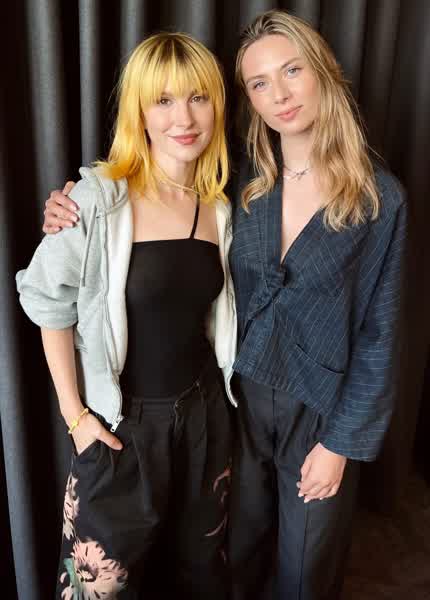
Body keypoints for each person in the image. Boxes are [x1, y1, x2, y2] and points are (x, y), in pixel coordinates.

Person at [40, 10, 407, 600]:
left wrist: (342, 441)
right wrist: (67, 209)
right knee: (215, 563)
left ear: (323, 72)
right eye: (260, 83)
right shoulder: (241, 182)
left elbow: (380, 332)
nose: (279, 94)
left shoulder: (371, 199)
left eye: (292, 71)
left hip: (289, 412)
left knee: (288, 572)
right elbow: (62, 287)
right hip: (218, 411)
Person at [16, 32, 237, 600]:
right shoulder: (96, 199)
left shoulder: (218, 207)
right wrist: (74, 416)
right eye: (163, 100)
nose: (184, 118)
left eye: (198, 98)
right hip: (122, 427)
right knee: (97, 589)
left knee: (199, 574)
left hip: (203, 418)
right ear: (139, 111)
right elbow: (47, 302)